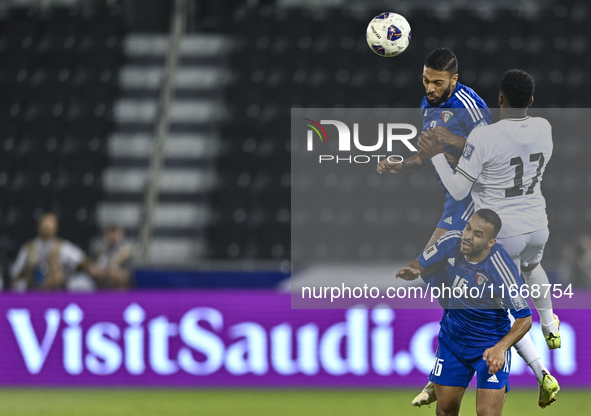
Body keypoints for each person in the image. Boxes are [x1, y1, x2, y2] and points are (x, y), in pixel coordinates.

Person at [377, 49, 548, 408]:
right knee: (434, 274)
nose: (430, 87)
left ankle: (467, 368)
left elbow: (493, 150)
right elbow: (427, 152)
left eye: (437, 82)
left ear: (454, 79)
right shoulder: (427, 105)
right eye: (426, 79)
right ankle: (452, 368)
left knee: (433, 263)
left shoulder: (471, 107)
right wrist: (402, 165)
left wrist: (447, 142)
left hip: (476, 202)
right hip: (451, 203)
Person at [418, 69, 560, 350]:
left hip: (504, 232)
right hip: (537, 227)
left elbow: (459, 190)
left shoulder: (484, 137)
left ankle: (539, 368)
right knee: (532, 268)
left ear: (499, 99)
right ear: (531, 99)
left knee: (498, 306)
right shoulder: (544, 127)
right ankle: (549, 327)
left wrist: (437, 157)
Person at [396, 209, 558, 414]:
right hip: (453, 342)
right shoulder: (452, 241)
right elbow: (420, 262)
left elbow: (524, 318)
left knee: (486, 414)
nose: (468, 236)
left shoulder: (500, 268)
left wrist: (501, 348)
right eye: (468, 228)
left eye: (478, 234)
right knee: (445, 411)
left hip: (489, 344)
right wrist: (414, 269)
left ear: (491, 243)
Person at [10, 213, 88, 290]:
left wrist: (68, 274)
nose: (47, 226)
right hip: (33, 292)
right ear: (39, 226)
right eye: (44, 223)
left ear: (56, 227)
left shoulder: (63, 247)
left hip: (55, 292)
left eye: (50, 224)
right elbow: (16, 272)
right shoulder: (28, 248)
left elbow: (82, 260)